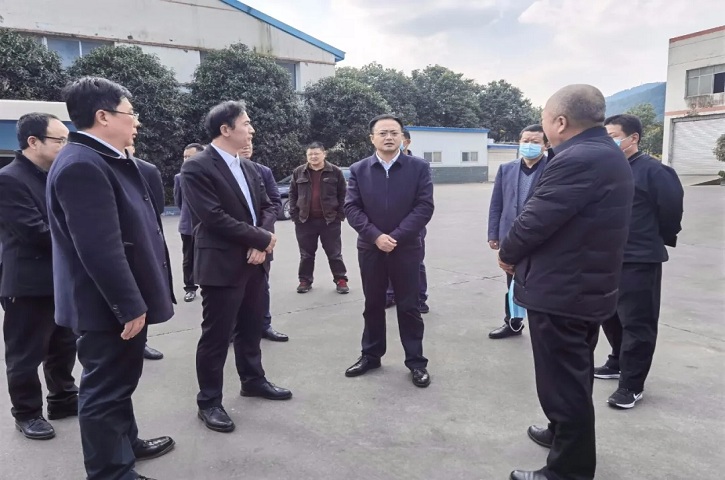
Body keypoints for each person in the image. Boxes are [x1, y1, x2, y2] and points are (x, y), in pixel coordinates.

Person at [498, 85, 634, 480]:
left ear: (560, 121)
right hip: (583, 286)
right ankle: (561, 434)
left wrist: (508, 252)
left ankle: (568, 471)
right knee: (572, 375)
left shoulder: (578, 158)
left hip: (563, 291)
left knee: (563, 384)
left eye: (543, 118)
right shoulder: (605, 152)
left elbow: (534, 220)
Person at [47, 76, 175, 480]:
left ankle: (126, 443)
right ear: (103, 116)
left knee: (119, 381)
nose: (136, 121)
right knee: (105, 389)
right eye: (130, 113)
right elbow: (99, 247)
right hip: (105, 305)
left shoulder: (102, 158)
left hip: (114, 301)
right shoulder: (82, 165)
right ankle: (110, 472)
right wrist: (129, 305)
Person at [180, 100, 291, 434]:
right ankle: (209, 402)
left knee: (251, 326)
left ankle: (253, 380)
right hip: (222, 264)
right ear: (225, 129)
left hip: (256, 262)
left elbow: (269, 205)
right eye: (246, 123)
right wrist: (259, 238)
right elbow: (212, 217)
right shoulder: (197, 167)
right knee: (216, 336)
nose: (251, 130)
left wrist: (262, 240)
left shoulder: (249, 167)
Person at [595, 114, 684, 409]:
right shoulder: (607, 170)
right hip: (605, 257)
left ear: (633, 138)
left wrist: (650, 238)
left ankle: (631, 385)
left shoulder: (655, 171)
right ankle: (617, 361)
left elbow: (670, 211)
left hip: (639, 258)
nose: (607, 142)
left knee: (637, 323)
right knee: (608, 314)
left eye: (612, 136)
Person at [0, 113, 78, 440]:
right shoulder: (9, 179)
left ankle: (62, 397)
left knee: (63, 345)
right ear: (33, 142)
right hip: (28, 283)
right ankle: (27, 413)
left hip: (60, 278)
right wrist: (85, 240)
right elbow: (35, 232)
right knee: (25, 353)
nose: (65, 146)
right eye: (60, 140)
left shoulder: (53, 175)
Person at [344, 114, 434, 388]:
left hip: (406, 248)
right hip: (370, 248)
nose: (389, 137)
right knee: (373, 304)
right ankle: (371, 355)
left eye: (394, 132)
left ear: (402, 137)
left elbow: (424, 207)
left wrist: (395, 237)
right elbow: (351, 208)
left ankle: (416, 362)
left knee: (409, 306)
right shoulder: (359, 169)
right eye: (382, 133)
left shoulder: (418, 168)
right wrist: (375, 236)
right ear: (372, 138)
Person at [487, 125, 549, 339]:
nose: (529, 145)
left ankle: (542, 327)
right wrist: (493, 234)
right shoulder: (506, 168)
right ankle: (513, 323)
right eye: (525, 141)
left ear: (546, 145)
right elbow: (497, 203)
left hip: (541, 238)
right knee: (512, 280)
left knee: (540, 283)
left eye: (535, 142)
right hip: (511, 237)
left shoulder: (553, 168)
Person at [239, 142, 288, 342]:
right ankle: (234, 328)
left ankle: (264, 325)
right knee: (233, 287)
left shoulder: (263, 171)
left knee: (261, 285)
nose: (247, 146)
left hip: (263, 238)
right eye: (243, 142)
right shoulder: (220, 171)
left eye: (250, 142)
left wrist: (261, 237)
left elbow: (274, 203)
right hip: (234, 238)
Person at [127, 144, 171, 362]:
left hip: (142, 241)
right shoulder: (94, 166)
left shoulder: (147, 170)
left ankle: (141, 342)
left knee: (141, 294)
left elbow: (157, 207)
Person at [289, 142, 349, 294]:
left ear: (324, 154)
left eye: (316, 154)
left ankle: (341, 280)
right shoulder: (299, 172)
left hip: (329, 220)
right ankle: (305, 280)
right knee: (306, 254)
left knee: (334, 253)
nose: (313, 157)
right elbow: (293, 194)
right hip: (305, 221)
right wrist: (295, 215)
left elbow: (343, 194)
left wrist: (339, 215)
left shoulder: (335, 171)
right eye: (310, 154)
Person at [386, 128, 430, 313]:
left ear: (407, 142)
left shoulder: (418, 166)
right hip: (386, 226)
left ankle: (419, 298)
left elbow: (424, 203)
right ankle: (390, 294)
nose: (391, 140)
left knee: (415, 263)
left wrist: (409, 226)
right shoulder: (380, 166)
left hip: (412, 227)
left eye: (396, 136)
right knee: (388, 261)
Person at [174, 143, 204, 303]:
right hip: (188, 226)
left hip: (208, 225)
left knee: (208, 256)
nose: (186, 160)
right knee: (189, 258)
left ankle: (208, 285)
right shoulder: (179, 178)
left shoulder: (210, 175)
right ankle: (190, 288)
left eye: (189, 157)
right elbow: (179, 201)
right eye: (184, 157)